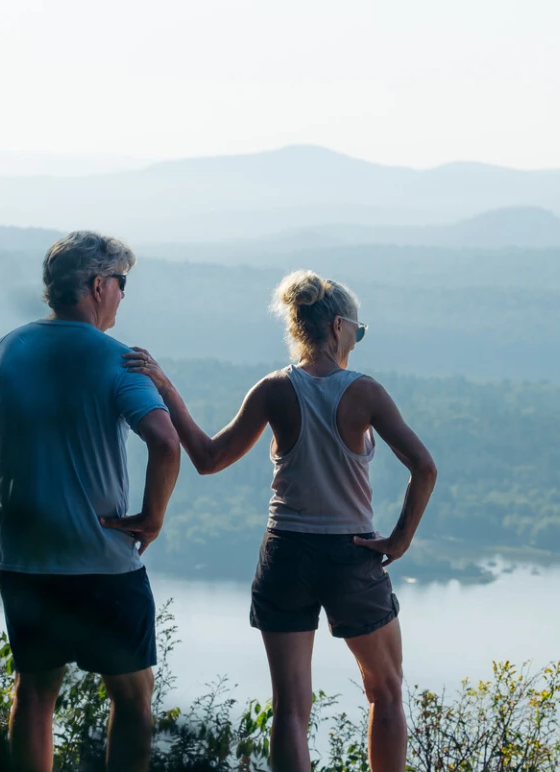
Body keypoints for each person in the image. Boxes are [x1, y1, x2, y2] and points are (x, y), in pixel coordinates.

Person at [124, 270, 438, 772]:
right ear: (338, 326)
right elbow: (424, 468)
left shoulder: (274, 389)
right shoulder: (364, 393)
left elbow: (206, 457)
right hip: (350, 553)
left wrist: (165, 387)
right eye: (359, 330)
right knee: (386, 690)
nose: (358, 340)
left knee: (291, 707)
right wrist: (398, 541)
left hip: (285, 552)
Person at [0, 231, 181, 772]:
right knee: (132, 700)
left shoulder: (5, 350)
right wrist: (152, 518)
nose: (124, 296)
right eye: (122, 284)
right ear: (99, 285)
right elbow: (166, 441)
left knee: (34, 696)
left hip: (26, 559)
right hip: (103, 559)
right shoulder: (118, 360)